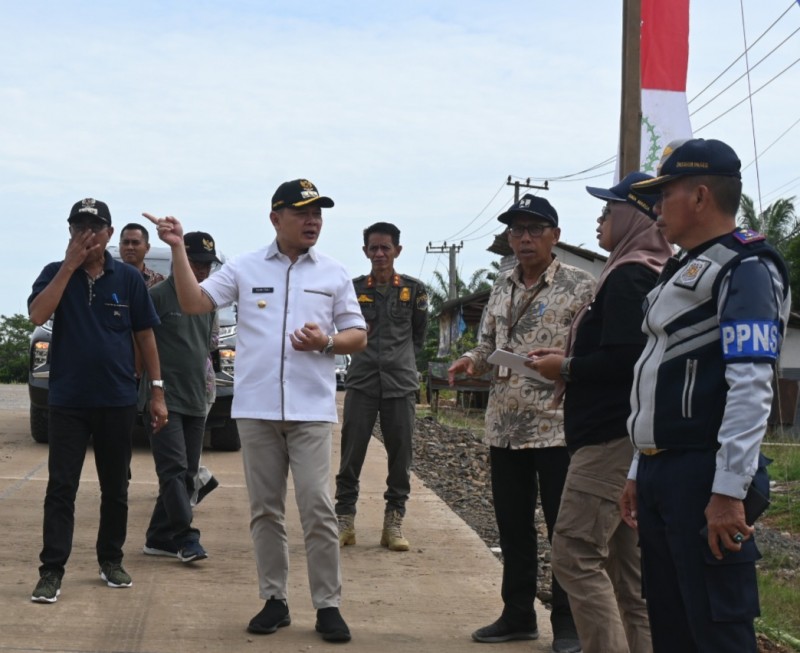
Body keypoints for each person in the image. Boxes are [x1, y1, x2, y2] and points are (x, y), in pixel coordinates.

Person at [144, 178, 367, 644]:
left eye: (318, 214)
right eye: (303, 212)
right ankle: (274, 599)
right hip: (257, 411)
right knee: (265, 511)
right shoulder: (244, 268)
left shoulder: (334, 273)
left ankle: (328, 605)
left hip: (311, 411)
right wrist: (178, 249)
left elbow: (356, 334)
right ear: (275, 218)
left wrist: (326, 342)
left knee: (318, 509)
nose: (313, 221)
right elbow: (192, 301)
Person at [618, 139, 791, 653]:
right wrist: (637, 468)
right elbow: (653, 379)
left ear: (698, 196)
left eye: (663, 194)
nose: (654, 209)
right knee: (671, 626)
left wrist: (729, 489)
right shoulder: (685, 266)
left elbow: (751, 383)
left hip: (704, 473)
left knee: (717, 629)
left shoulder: (747, 267)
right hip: (661, 471)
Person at [531, 172, 672, 653]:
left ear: (633, 215)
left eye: (608, 211)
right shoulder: (644, 268)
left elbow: (627, 360)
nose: (599, 219)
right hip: (627, 437)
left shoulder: (631, 274)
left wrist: (564, 365)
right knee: (623, 573)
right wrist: (567, 358)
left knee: (574, 554)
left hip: (611, 439)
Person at [447, 195, 595, 653]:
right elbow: (488, 343)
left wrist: (565, 364)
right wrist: (470, 361)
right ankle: (517, 615)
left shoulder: (582, 286)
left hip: (557, 427)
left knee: (563, 531)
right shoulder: (501, 283)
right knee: (512, 527)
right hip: (504, 428)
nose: (525, 238)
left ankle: (569, 624)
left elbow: (593, 356)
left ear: (555, 235)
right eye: (517, 231)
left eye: (534, 229)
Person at [28, 198, 168, 604]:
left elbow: (145, 335)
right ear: (70, 233)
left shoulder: (128, 279)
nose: (87, 235)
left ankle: (110, 559)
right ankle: (52, 570)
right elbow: (38, 315)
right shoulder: (54, 273)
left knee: (116, 487)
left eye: (95, 228)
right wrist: (70, 266)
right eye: (79, 228)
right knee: (61, 488)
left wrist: (156, 391)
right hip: (69, 400)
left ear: (108, 234)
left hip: (117, 399)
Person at [335, 221, 428, 551]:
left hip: (400, 384)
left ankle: (394, 521)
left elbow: (419, 335)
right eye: (373, 248)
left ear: (397, 251)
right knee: (351, 453)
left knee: (400, 455)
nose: (379, 254)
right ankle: (344, 519)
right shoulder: (354, 288)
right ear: (365, 252)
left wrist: (402, 362)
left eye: (385, 248)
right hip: (361, 382)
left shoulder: (415, 291)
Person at [140, 231, 222, 563]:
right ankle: (186, 537)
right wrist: (148, 392)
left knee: (188, 474)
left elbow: (209, 347)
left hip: (195, 398)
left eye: (207, 265)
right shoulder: (156, 296)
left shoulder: (207, 300)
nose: (202, 271)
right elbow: (139, 342)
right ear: (180, 259)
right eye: (196, 263)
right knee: (172, 469)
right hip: (163, 398)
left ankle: (158, 538)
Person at [119, 222, 166, 288]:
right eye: (125, 242)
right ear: (119, 246)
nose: (129, 247)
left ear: (147, 248)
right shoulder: (109, 279)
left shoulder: (159, 282)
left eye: (135, 243)